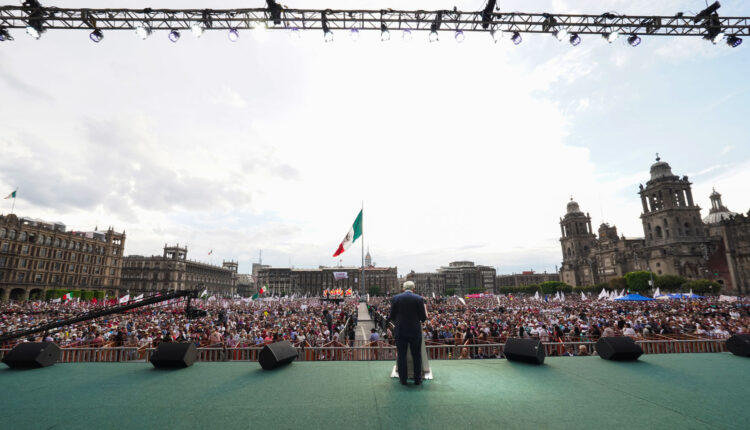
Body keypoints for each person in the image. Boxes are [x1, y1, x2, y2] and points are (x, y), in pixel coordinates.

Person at [389, 281, 427, 386]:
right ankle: (417, 379)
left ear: (403, 288)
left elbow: (391, 316)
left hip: (400, 330)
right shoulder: (419, 299)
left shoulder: (396, 298)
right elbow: (423, 318)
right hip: (415, 331)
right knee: (416, 355)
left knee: (401, 355)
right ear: (413, 288)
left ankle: (403, 380)